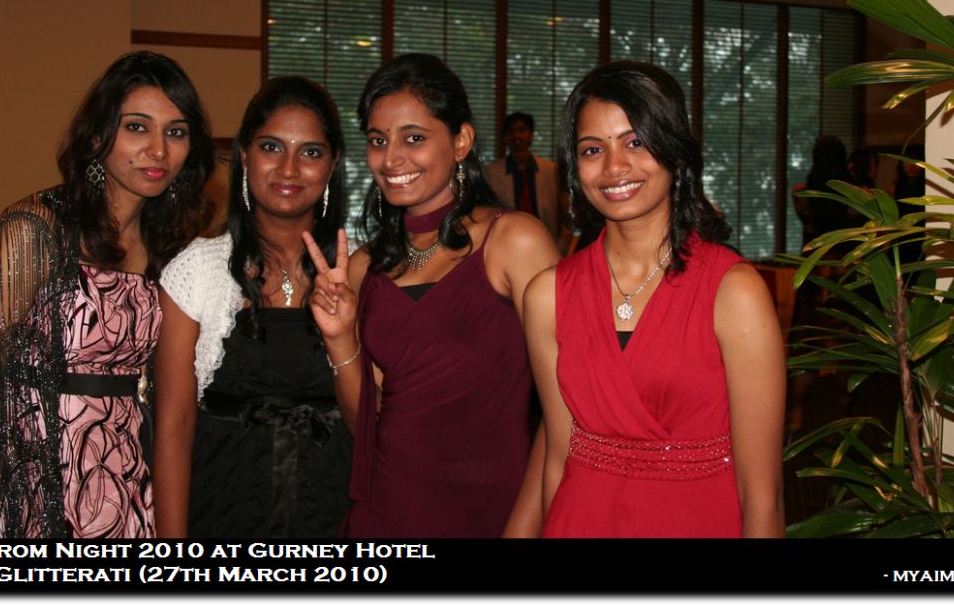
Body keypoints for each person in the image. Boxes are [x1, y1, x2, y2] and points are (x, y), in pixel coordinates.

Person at [0, 51, 214, 537]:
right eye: (137, 127)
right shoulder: (35, 229)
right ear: (96, 135)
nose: (158, 150)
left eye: (176, 132)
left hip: (124, 489)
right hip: (33, 488)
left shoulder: (171, 248)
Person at [523, 60, 784, 537]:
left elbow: (763, 495)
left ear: (674, 150)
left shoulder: (734, 291)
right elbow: (558, 458)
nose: (614, 167)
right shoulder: (547, 295)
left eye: (635, 142)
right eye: (592, 149)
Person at [303, 53, 559, 537]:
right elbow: (366, 426)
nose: (390, 159)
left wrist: (525, 529)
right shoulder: (363, 267)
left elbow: (566, 409)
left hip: (492, 508)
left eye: (414, 138)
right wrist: (339, 339)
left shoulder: (515, 241)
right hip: (386, 510)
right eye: (378, 140)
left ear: (461, 141)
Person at [153, 76, 351, 538]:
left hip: (335, 513)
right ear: (244, 155)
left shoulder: (361, 270)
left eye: (310, 152)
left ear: (333, 164)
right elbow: (173, 426)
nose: (289, 168)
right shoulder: (196, 270)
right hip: (220, 510)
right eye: (271, 147)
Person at [484, 111, 567, 247]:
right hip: (507, 243)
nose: (517, 135)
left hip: (547, 242)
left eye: (522, 130)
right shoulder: (491, 173)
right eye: (511, 131)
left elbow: (564, 210)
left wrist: (562, 243)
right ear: (505, 137)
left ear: (531, 135)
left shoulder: (551, 170)